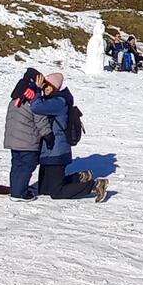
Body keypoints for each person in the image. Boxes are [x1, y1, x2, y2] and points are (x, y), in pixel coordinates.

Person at [30, 72, 109, 202]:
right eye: (44, 86)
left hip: (57, 150)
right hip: (48, 151)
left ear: (55, 87)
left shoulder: (58, 102)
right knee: (44, 189)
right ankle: (80, 177)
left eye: (47, 86)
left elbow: (36, 107)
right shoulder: (52, 100)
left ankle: (95, 186)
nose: (45, 88)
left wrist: (37, 91)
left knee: (56, 192)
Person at [2, 67, 49, 202]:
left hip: (14, 140)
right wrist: (47, 134)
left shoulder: (16, 98)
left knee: (16, 165)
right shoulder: (32, 97)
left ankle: (16, 188)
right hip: (27, 141)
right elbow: (39, 118)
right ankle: (19, 193)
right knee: (27, 166)